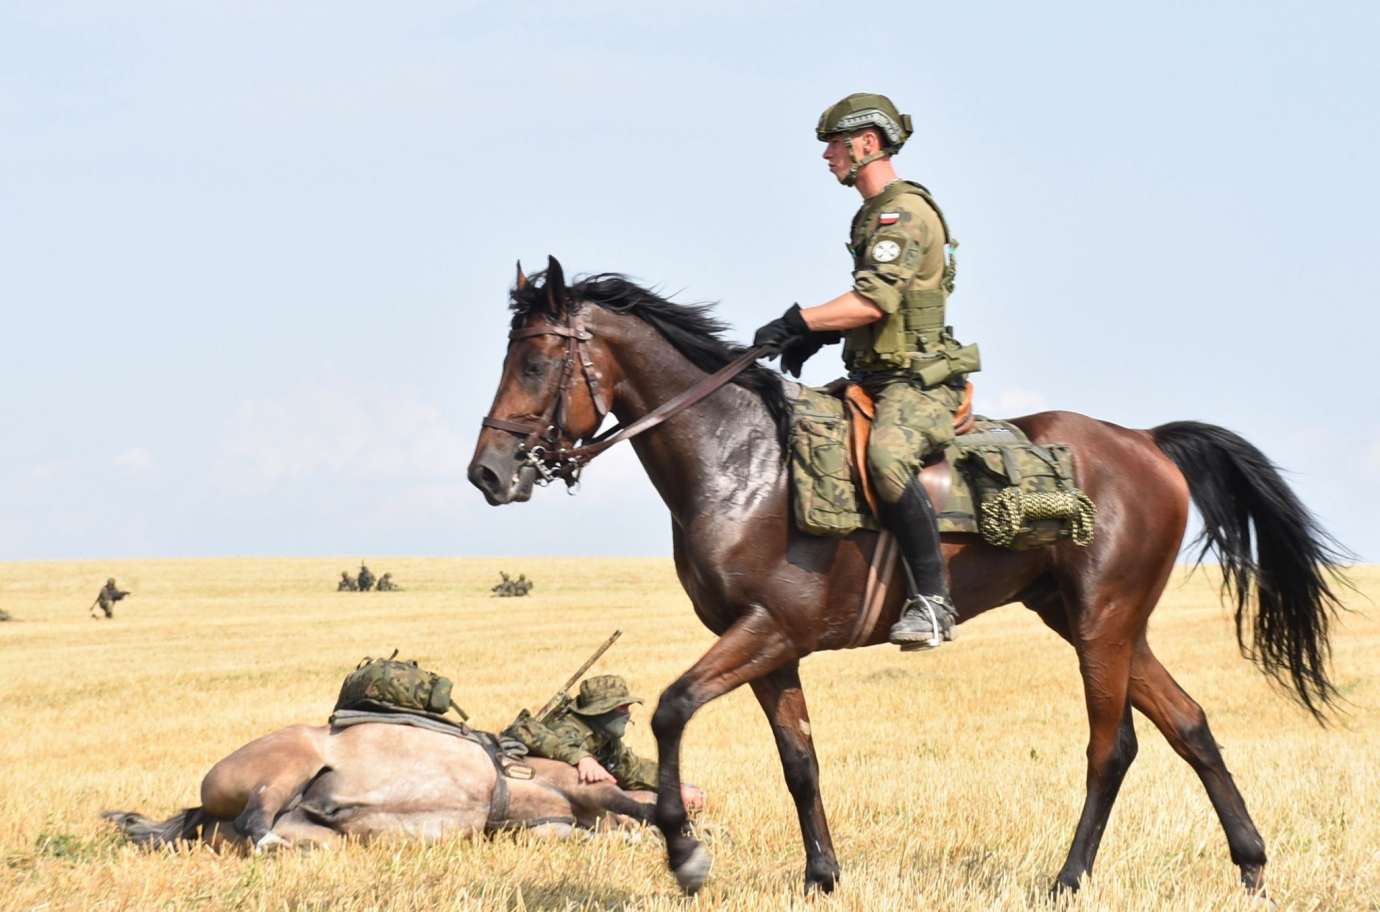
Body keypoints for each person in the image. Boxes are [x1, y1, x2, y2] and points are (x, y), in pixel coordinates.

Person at [752, 92, 981, 650]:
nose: (827, 155)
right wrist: (822, 335)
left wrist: (799, 320)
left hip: (918, 382)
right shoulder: (873, 214)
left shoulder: (901, 214)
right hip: (875, 376)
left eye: (834, 144)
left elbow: (875, 301)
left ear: (867, 144)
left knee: (886, 456)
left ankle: (932, 602)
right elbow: (884, 311)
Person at [504, 675, 704, 810]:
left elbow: (633, 770)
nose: (628, 714)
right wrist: (581, 758)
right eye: (621, 708)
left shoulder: (605, 739)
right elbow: (541, 736)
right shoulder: (565, 727)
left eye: (628, 707)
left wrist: (675, 787)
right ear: (600, 711)